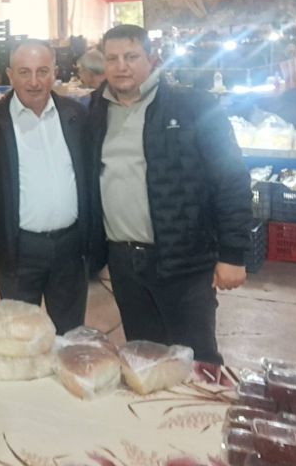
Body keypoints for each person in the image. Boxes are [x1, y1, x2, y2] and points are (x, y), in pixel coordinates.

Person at [86, 24, 252, 365]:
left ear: (153, 60)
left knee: (195, 360)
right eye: (112, 58)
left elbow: (231, 179)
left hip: (183, 259)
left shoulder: (194, 107)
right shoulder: (95, 111)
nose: (121, 66)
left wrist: (233, 254)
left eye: (131, 56)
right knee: (144, 357)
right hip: (123, 260)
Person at [0, 39, 94, 334]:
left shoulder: (76, 116)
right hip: (18, 250)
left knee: (70, 335)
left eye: (42, 71)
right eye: (24, 72)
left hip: (71, 248)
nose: (34, 82)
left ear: (55, 72)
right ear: (10, 75)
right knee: (20, 337)